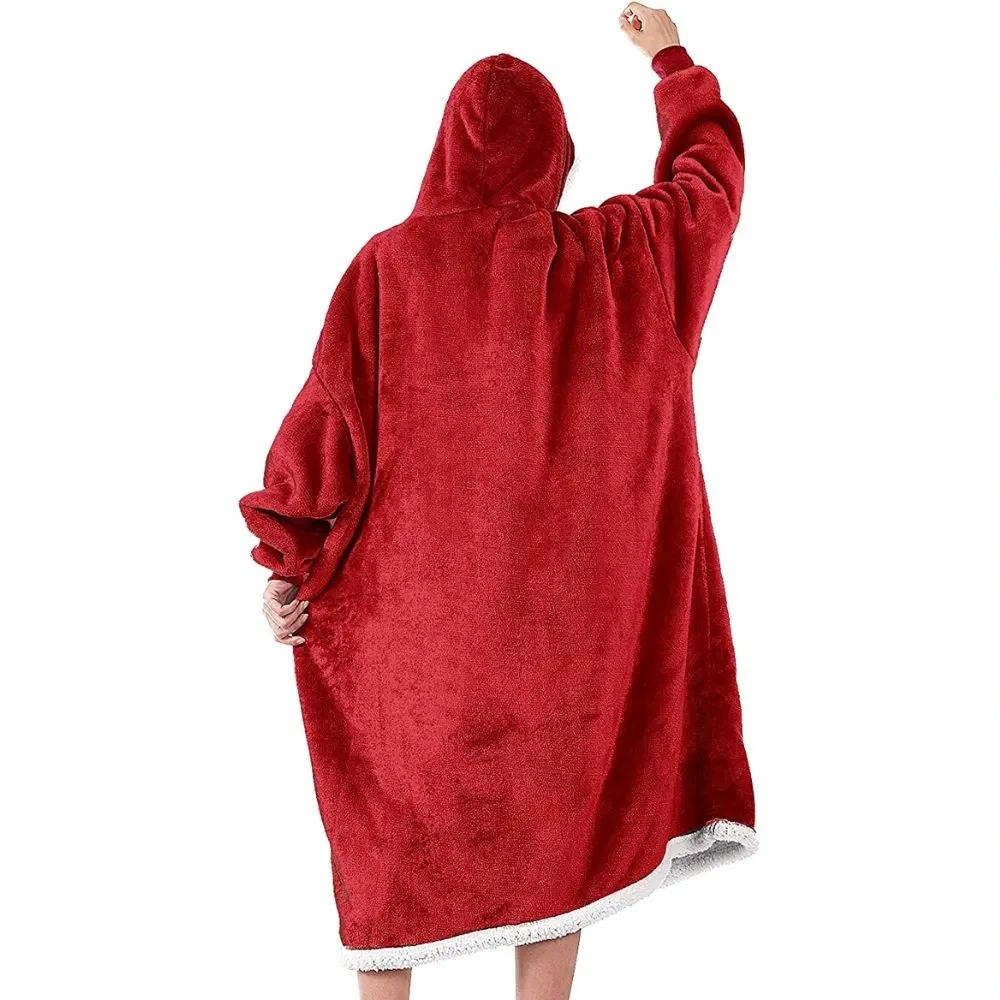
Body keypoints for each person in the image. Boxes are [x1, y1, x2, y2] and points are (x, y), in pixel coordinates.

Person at [239, 6, 756, 999]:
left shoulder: (386, 267)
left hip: (412, 666)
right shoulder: (624, 257)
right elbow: (710, 184)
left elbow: (315, 451)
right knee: (557, 859)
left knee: (389, 867)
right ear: (555, 157)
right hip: (567, 669)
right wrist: (669, 61)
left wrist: (288, 574)